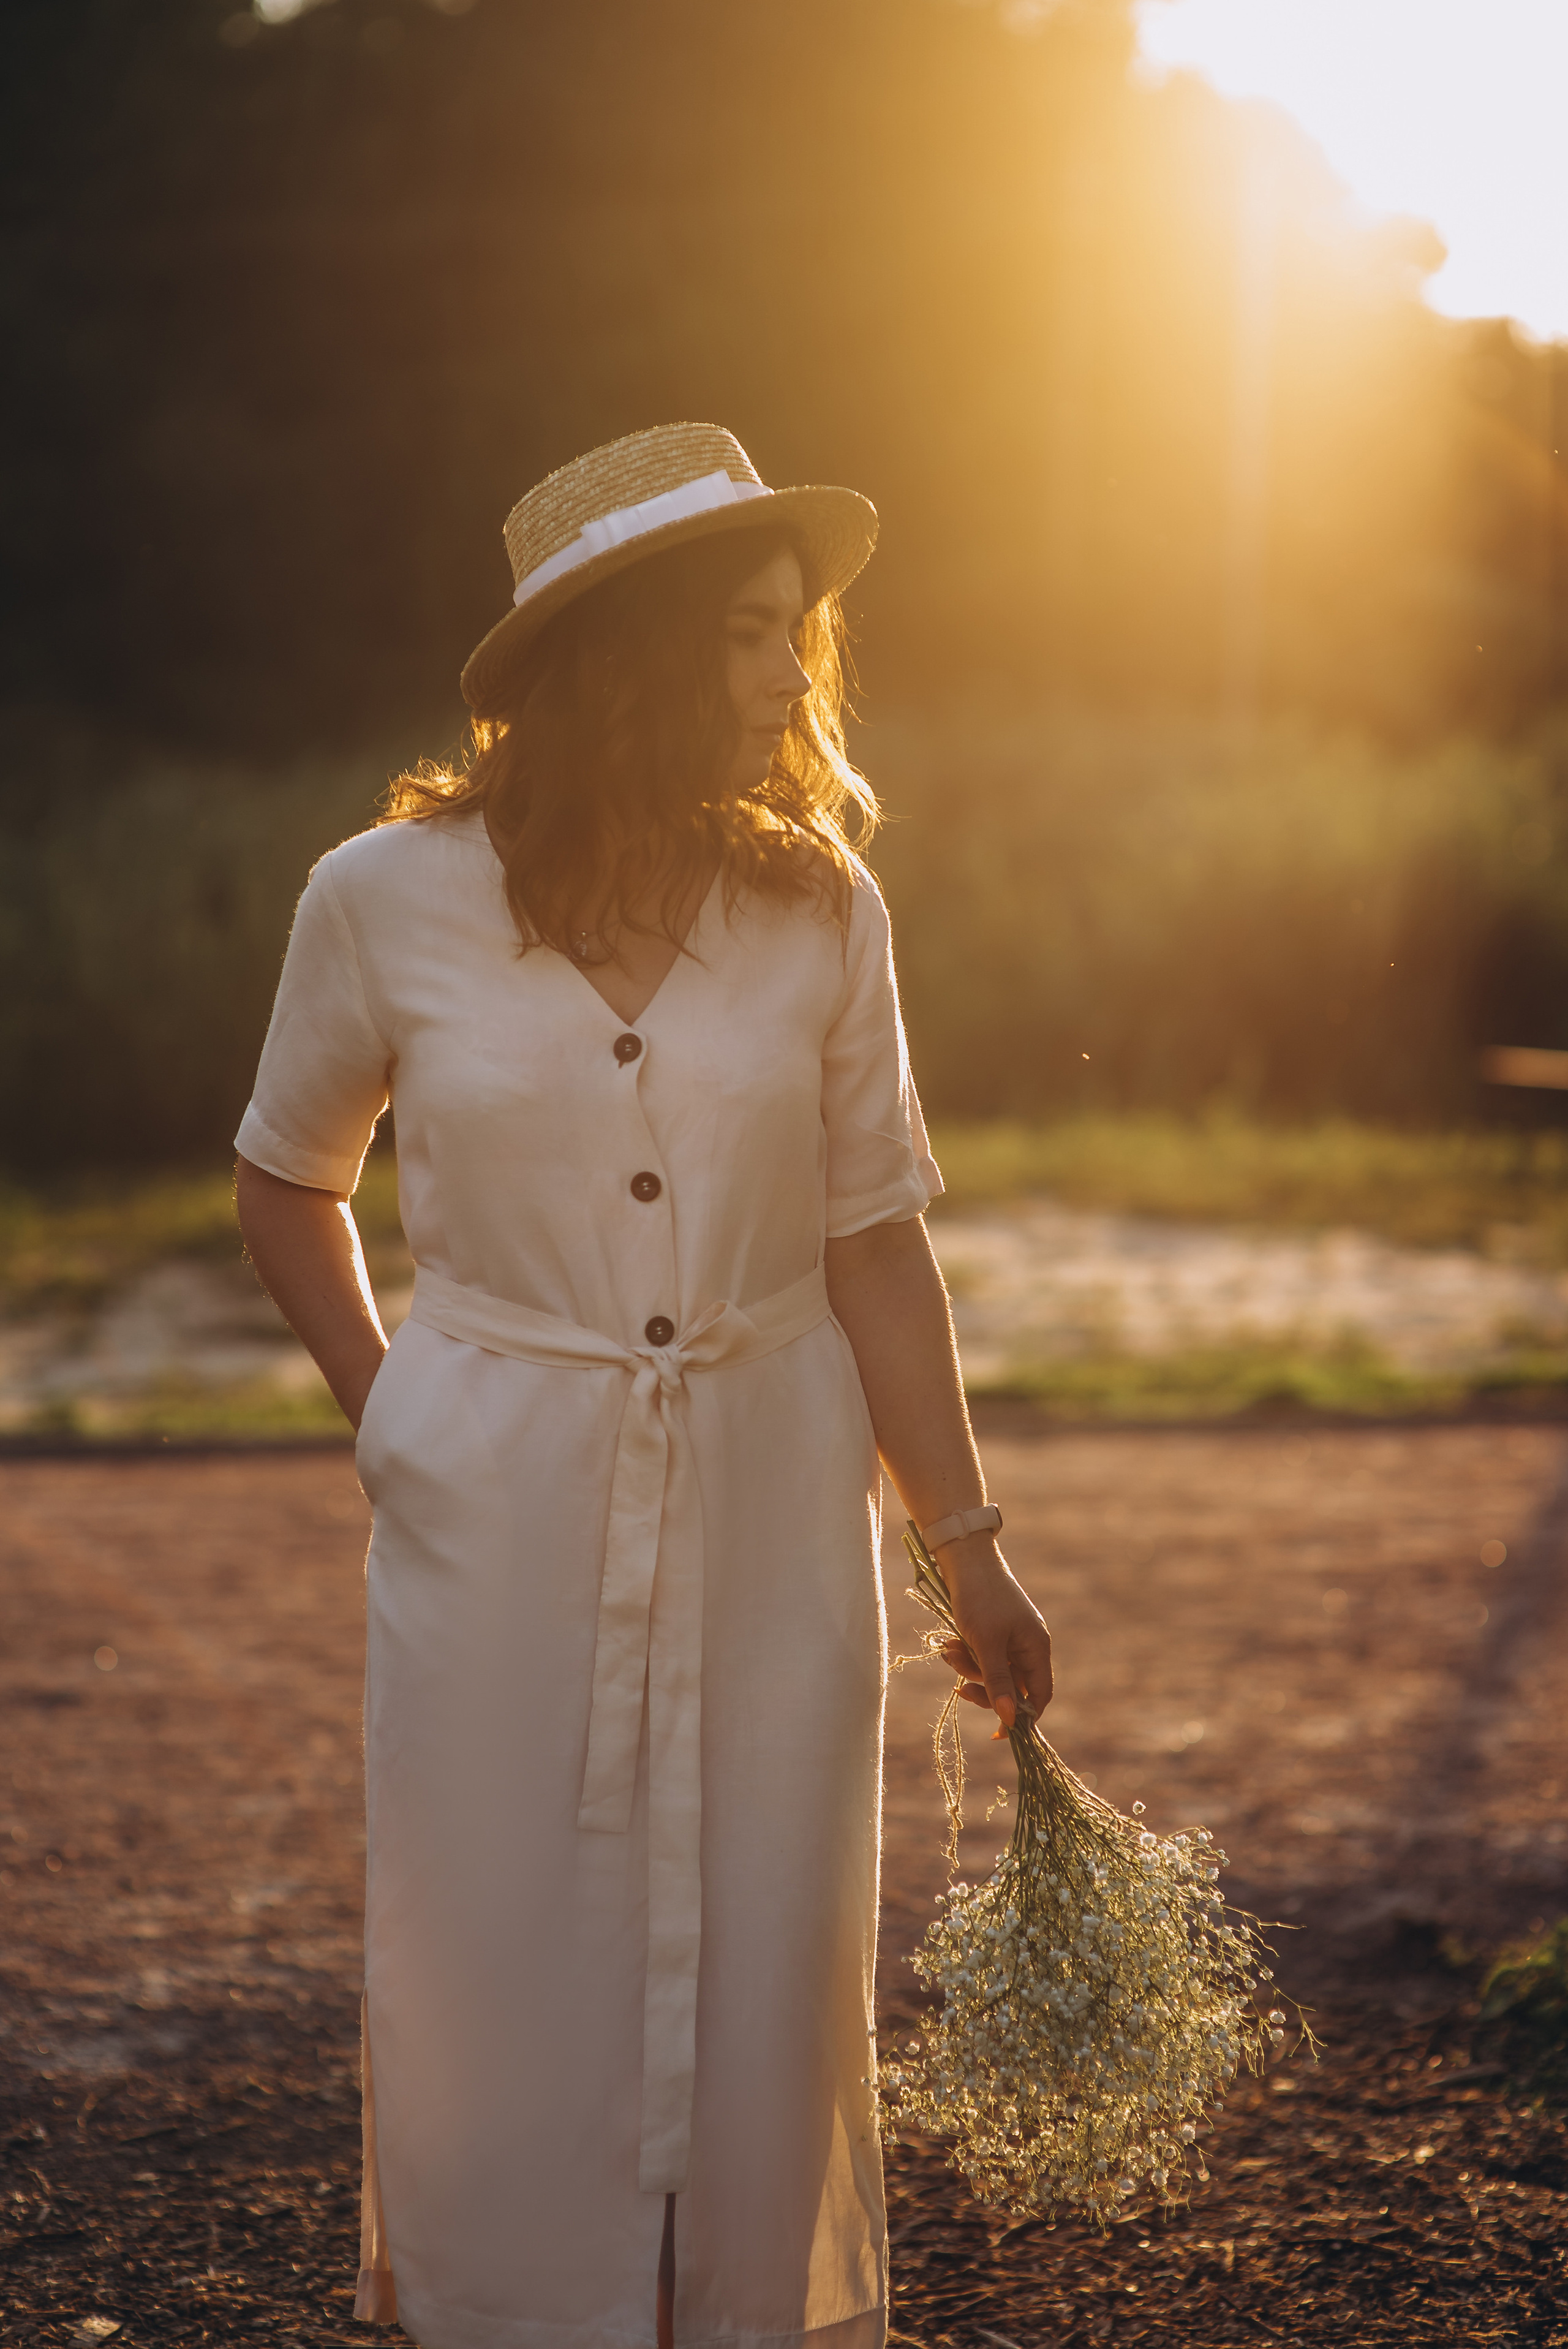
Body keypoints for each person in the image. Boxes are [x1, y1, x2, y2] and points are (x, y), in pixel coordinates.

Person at [234, 422, 1052, 2349]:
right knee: (499, 1947)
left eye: (799, 639)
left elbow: (872, 1245)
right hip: (492, 1506)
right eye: (757, 634)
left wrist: (973, 1549)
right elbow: (288, 1177)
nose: (795, 676)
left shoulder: (824, 913)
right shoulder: (379, 897)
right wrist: (395, 1412)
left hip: (781, 1502)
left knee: (772, 1950)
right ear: (637, 651)